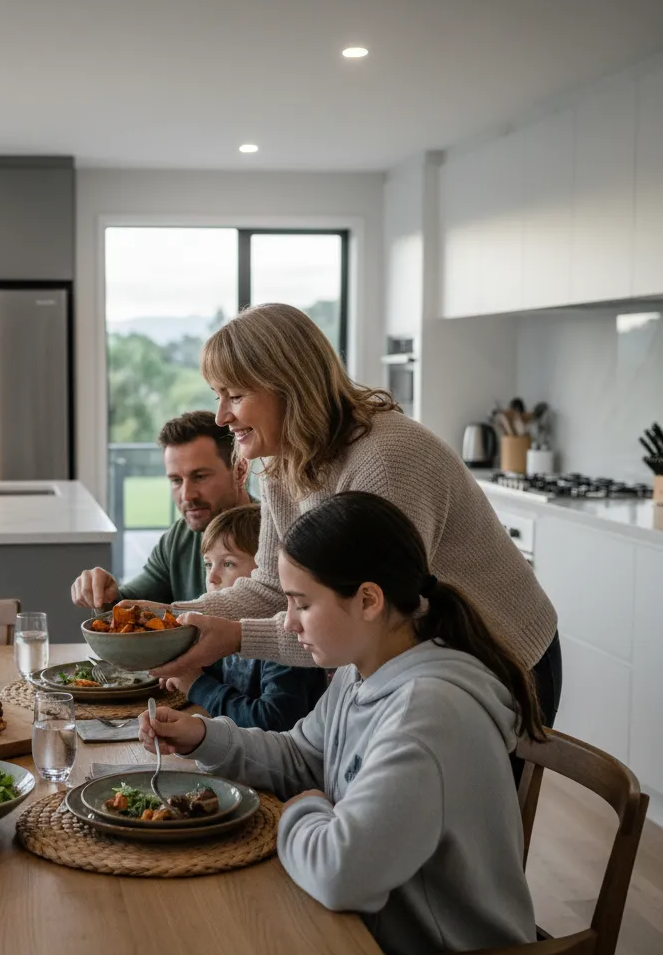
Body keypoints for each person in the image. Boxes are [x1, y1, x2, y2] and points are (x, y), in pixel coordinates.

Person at [140, 493, 542, 955]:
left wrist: (306, 806)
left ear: (369, 600)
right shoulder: (362, 672)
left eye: (302, 604)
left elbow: (339, 873)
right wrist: (203, 737)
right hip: (374, 947)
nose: (288, 623)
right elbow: (302, 756)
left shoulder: (427, 715)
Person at [152, 303, 562, 727]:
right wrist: (164, 620)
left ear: (289, 386)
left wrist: (235, 637)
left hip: (502, 661)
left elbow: (366, 621)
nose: (222, 416)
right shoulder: (283, 459)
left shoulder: (385, 460)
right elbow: (272, 588)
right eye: (218, 396)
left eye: (235, 396)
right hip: (424, 668)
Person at [163, 502, 325, 730]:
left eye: (228, 563)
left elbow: (272, 722)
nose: (212, 577)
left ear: (268, 570)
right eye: (208, 564)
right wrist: (180, 665)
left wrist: (197, 685)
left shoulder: (288, 638)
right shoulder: (223, 626)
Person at [70, 410, 251, 608]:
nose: (186, 495)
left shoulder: (269, 535)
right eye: (176, 480)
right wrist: (105, 594)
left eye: (200, 477)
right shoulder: (178, 538)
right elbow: (126, 603)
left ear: (240, 471)